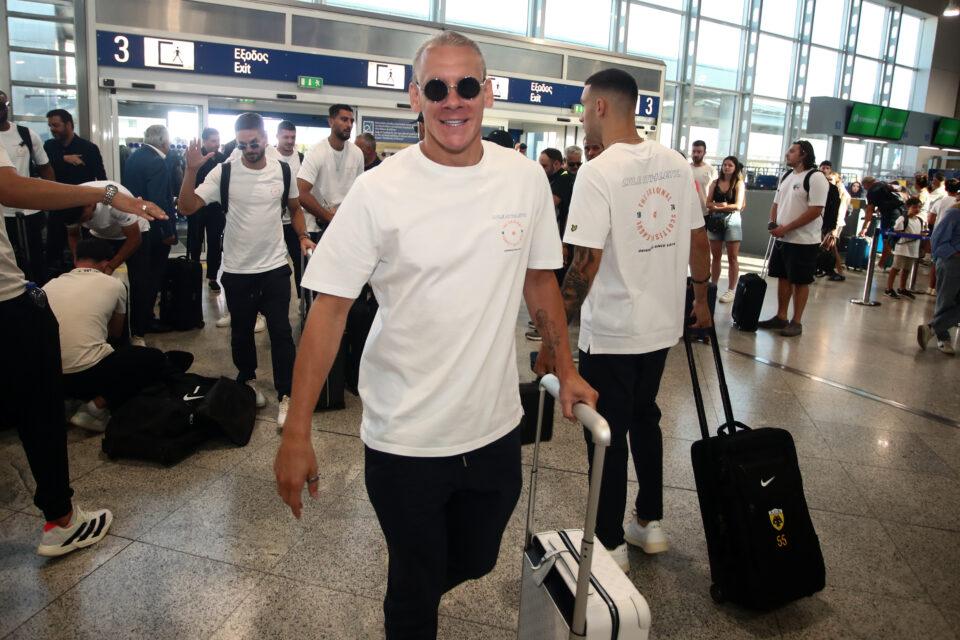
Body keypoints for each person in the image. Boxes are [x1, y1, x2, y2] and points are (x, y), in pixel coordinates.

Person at [273, 30, 595, 640]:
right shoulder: (379, 190)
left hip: (494, 429)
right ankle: (408, 604)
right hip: (405, 438)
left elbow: (539, 280)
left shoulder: (523, 179)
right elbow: (329, 310)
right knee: (416, 585)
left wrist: (567, 367)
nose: (454, 101)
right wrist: (297, 431)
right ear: (416, 96)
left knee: (477, 558)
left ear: (487, 94)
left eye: (466, 86)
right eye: (438, 88)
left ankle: (411, 592)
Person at [535, 67, 711, 571]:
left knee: (605, 432)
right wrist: (701, 297)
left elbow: (583, 266)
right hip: (661, 327)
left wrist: (553, 342)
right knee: (646, 417)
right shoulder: (676, 163)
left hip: (612, 331)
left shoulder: (598, 172)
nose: (582, 117)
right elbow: (698, 239)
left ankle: (610, 541)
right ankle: (650, 522)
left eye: (583, 106)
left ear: (600, 107)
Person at [0, 145, 165, 556]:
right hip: (6, 302)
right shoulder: (107, 279)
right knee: (38, 408)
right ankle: (61, 520)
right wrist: (102, 194)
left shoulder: (57, 281)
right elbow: (11, 188)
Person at [178, 112, 315, 424]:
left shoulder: (282, 170)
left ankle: (286, 394)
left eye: (254, 143)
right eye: (242, 145)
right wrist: (190, 170)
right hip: (238, 270)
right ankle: (248, 381)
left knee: (281, 332)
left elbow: (295, 208)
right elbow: (186, 207)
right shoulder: (224, 172)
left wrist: (303, 235)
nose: (249, 149)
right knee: (241, 333)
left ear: (265, 139)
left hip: (275, 267)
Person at [44, 238, 187, 431]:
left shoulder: (49, 285)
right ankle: (95, 408)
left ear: (76, 260)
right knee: (152, 358)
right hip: (87, 375)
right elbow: (116, 333)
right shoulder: (114, 284)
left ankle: (67, 401)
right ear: (106, 264)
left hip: (50, 377)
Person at [758, 141, 829, 338]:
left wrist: (786, 228)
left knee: (800, 281)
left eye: (792, 151)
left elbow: (815, 210)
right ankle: (781, 316)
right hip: (783, 239)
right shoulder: (787, 175)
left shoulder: (816, 178)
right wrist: (773, 223)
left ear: (803, 154)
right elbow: (776, 203)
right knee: (783, 277)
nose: (787, 154)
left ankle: (796, 321)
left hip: (804, 241)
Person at [66, 180, 150, 342]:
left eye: (84, 218)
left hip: (135, 233)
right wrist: (78, 261)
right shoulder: (71, 203)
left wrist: (111, 266)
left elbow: (134, 239)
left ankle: (137, 333)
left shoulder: (114, 203)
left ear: (90, 204)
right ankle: (100, 327)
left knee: (138, 283)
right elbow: (73, 235)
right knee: (93, 282)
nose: (83, 223)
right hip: (100, 235)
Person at [123, 125, 178, 335]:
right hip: (154, 229)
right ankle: (146, 320)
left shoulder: (135, 157)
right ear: (163, 141)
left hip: (137, 224)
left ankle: (138, 319)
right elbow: (158, 202)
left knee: (140, 276)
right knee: (152, 276)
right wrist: (168, 231)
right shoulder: (157, 162)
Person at [0, 89, 55, 284]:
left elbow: (45, 168)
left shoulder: (25, 134)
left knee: (36, 261)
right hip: (2, 216)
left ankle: (39, 295)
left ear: (7, 106)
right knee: (8, 264)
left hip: (29, 212)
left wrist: (50, 202)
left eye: (1, 105)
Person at [44, 109, 107, 277]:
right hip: (57, 206)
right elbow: (40, 166)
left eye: (56, 125)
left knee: (87, 250)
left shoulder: (88, 148)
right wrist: (64, 159)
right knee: (54, 251)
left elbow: (101, 178)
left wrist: (97, 204)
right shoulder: (49, 147)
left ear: (69, 124)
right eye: (50, 126)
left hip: (84, 207)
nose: (52, 129)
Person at [297, 104, 364, 238]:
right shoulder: (316, 151)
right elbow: (301, 193)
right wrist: (329, 217)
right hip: (318, 225)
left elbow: (360, 191)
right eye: (344, 119)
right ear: (331, 121)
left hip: (346, 224)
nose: (349, 125)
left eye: (351, 121)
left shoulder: (357, 153)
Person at [185, 127, 227, 293]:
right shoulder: (197, 157)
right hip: (197, 206)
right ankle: (193, 274)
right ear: (205, 141)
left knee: (215, 243)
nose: (217, 144)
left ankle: (212, 277)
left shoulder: (223, 159)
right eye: (213, 141)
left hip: (216, 208)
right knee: (195, 241)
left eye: (218, 140)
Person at [918, 203, 960, 355]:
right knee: (945, 302)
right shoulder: (954, 213)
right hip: (952, 262)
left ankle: (931, 329)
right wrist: (954, 253)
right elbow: (937, 238)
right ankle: (943, 339)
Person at [705, 155, 746, 302]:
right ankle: (713, 286)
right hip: (716, 221)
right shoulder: (715, 183)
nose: (726, 167)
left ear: (735, 168)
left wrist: (720, 207)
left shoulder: (738, 183)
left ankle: (731, 290)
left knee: (732, 257)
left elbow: (738, 205)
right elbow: (708, 203)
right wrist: (718, 206)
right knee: (715, 257)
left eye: (730, 165)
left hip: (732, 221)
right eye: (724, 165)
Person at [275, 120, 308, 296]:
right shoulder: (269, 157)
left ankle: (304, 302)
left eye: (293, 137)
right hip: (274, 222)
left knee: (301, 261)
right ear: (277, 137)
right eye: (286, 137)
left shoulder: (302, 159)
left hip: (295, 220)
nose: (289, 141)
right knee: (275, 265)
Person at [858, 176, 905, 274]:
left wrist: (865, 228)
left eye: (864, 186)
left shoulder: (872, 191)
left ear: (867, 184)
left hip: (890, 216)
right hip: (900, 213)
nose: (864, 188)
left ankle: (882, 265)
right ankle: (891, 265)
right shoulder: (883, 184)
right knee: (893, 241)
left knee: (887, 241)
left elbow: (869, 211)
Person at [884, 197, 924, 300]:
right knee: (896, 268)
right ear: (908, 207)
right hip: (902, 248)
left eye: (919, 207)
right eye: (914, 207)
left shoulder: (920, 220)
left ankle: (902, 288)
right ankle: (889, 288)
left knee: (907, 269)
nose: (917, 209)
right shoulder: (902, 219)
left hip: (913, 249)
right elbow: (897, 232)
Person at [926, 178, 960, 295]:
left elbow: (931, 219)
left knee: (935, 263)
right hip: (951, 249)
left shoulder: (940, 201)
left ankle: (931, 287)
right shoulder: (955, 207)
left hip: (941, 238)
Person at [690, 140, 717, 217]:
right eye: (693, 151)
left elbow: (715, 191)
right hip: (688, 211)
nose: (695, 154)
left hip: (705, 211)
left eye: (699, 152)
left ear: (704, 153)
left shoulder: (711, 170)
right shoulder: (686, 168)